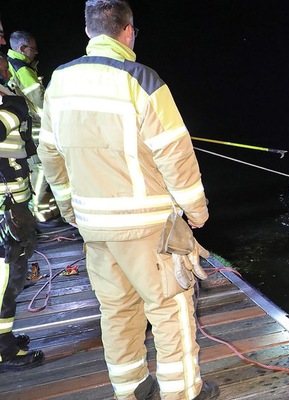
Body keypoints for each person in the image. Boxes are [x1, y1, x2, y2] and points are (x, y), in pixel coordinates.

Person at [38, 1, 218, 399]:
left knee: (117, 311)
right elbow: (174, 152)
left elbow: (50, 156)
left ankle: (131, 389)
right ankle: (182, 392)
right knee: (170, 311)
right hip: (146, 228)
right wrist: (196, 211)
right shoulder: (141, 79)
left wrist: (70, 208)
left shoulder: (59, 81)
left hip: (94, 227)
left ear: (89, 32)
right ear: (128, 31)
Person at [0, 16, 44, 373]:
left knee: (14, 273)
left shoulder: (5, 81)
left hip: (14, 198)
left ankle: (7, 340)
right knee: (6, 279)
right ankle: (3, 351)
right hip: (4, 203)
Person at [6, 30, 60, 224]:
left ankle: (45, 211)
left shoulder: (12, 65)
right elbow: (40, 102)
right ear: (22, 48)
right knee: (41, 169)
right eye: (33, 49)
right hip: (35, 128)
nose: (36, 53)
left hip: (22, 128)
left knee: (34, 170)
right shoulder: (23, 70)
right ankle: (40, 213)